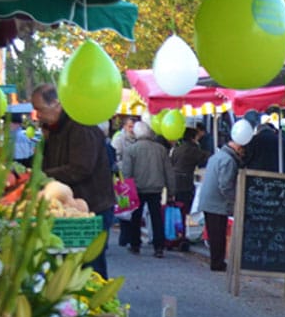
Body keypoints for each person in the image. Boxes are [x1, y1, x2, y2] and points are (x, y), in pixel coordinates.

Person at [30, 84, 118, 278]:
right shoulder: (54, 130)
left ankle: (97, 306)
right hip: (70, 206)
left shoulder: (81, 127)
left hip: (93, 207)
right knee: (70, 267)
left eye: (40, 109)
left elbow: (80, 168)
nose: (38, 115)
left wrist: (43, 176)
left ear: (57, 104)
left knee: (90, 266)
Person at [196, 120, 253, 272]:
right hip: (216, 203)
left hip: (209, 201)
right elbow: (225, 185)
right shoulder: (228, 161)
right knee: (218, 234)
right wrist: (236, 200)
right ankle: (217, 263)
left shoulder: (219, 155)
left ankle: (217, 261)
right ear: (239, 147)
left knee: (216, 233)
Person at [120, 120, 175, 258]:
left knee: (136, 217)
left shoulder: (131, 150)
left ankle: (135, 244)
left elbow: (126, 172)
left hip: (137, 188)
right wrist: (171, 191)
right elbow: (168, 171)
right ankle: (159, 247)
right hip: (156, 188)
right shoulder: (161, 149)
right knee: (156, 217)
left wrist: (125, 191)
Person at [169, 126, 206, 252]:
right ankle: (182, 237)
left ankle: (174, 235)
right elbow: (204, 158)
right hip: (185, 183)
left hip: (174, 182)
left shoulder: (177, 149)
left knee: (176, 209)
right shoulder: (192, 149)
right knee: (184, 210)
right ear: (193, 137)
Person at [243, 108, 285, 173]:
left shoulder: (251, 142)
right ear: (273, 130)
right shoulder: (284, 142)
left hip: (257, 179)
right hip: (281, 179)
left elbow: (245, 161)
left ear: (257, 130)